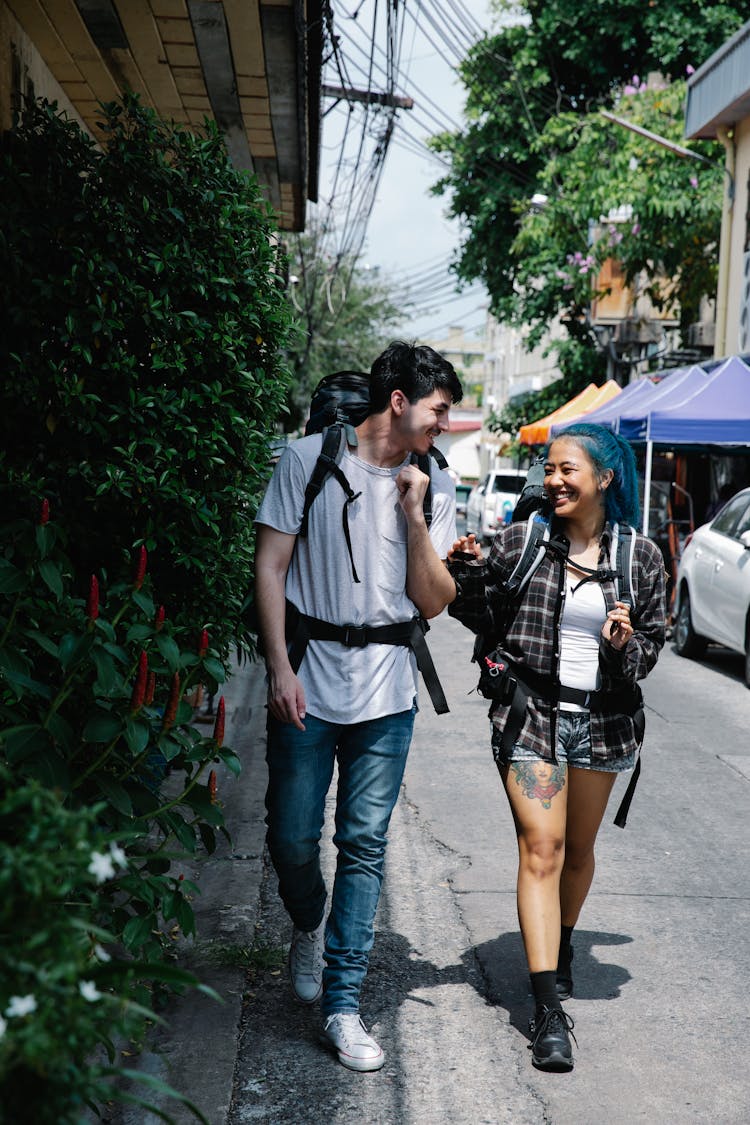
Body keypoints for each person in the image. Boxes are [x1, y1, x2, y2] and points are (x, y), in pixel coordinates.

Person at [254, 341, 463, 1072]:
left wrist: (412, 514)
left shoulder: (436, 478)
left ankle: (344, 1005)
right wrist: (280, 668)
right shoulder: (306, 459)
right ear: (399, 401)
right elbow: (271, 563)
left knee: (365, 845)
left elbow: (435, 600)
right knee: (290, 837)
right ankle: (307, 922)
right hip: (308, 680)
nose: (445, 424)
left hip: (388, 693)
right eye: (439, 410)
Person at [446, 423, 666, 1072]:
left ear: (605, 478)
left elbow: (651, 649)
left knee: (577, 852)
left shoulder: (642, 558)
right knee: (541, 848)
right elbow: (473, 609)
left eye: (568, 469)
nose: (554, 479)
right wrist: (463, 567)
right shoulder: (525, 541)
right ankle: (547, 1011)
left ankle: (562, 943)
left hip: (603, 725)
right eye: (549, 469)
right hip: (531, 716)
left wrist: (627, 644)